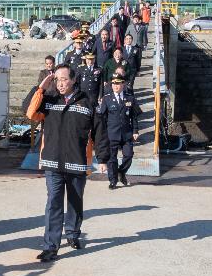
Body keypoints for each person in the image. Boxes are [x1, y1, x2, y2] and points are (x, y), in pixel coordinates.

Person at [26, 64, 97, 262]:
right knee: (53, 203)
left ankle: (73, 234)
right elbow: (29, 112)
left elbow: (98, 130)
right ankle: (50, 246)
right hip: (53, 162)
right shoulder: (48, 100)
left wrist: (106, 158)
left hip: (77, 162)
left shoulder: (87, 102)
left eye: (64, 79)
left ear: (73, 80)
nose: (60, 83)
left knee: (75, 201)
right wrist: (40, 87)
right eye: (56, 79)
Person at [95, 74, 141, 189]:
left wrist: (135, 130)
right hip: (112, 133)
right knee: (112, 159)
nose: (116, 86)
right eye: (114, 83)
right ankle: (113, 180)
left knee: (129, 155)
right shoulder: (107, 98)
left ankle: (121, 172)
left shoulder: (130, 98)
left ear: (123, 84)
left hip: (126, 133)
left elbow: (134, 116)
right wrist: (102, 133)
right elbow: (102, 117)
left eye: (118, 83)